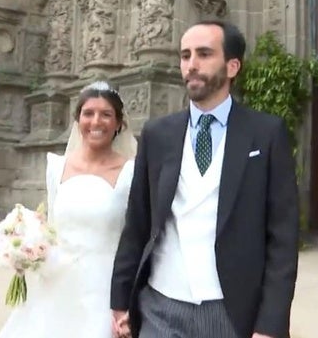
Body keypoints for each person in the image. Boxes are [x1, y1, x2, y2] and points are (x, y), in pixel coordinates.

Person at [111, 21, 299, 338]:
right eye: (185, 56)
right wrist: (120, 299)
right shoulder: (158, 134)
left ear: (232, 65)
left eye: (204, 54)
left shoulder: (266, 133)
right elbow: (138, 223)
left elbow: (282, 237)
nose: (191, 65)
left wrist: (270, 324)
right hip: (160, 304)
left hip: (229, 310)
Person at [0, 81, 137, 338]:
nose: (96, 122)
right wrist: (28, 248)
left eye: (106, 114)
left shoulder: (132, 172)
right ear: (78, 120)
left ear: (118, 123)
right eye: (89, 113)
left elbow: (136, 236)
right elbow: (50, 226)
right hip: (55, 283)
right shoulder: (56, 167)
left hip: (103, 288)